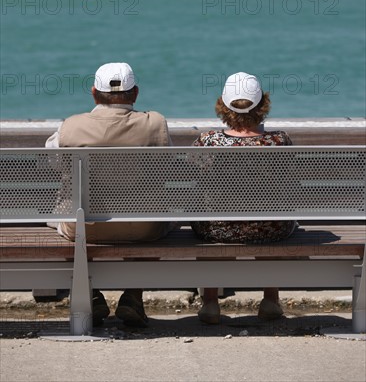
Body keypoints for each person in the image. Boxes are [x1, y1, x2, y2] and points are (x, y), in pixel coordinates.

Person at [46, 62, 174, 327]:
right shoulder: (155, 124)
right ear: (135, 93)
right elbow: (166, 166)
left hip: (84, 228)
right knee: (159, 215)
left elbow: (53, 162)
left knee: (67, 214)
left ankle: (91, 294)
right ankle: (133, 296)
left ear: (94, 93)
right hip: (144, 227)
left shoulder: (71, 127)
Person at [191, 72, 297, 324]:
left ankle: (210, 303)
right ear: (262, 105)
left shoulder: (208, 141)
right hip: (271, 229)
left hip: (217, 228)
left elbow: (191, 177)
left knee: (215, 218)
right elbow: (292, 183)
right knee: (272, 215)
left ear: (223, 105)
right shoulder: (279, 141)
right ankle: (270, 299)